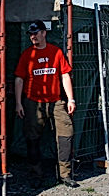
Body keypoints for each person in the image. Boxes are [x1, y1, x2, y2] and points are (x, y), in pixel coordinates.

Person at [15, 19, 78, 187]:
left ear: (44, 33)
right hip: (33, 102)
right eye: (30, 34)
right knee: (32, 138)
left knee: (66, 133)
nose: (33, 37)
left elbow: (65, 75)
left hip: (56, 100)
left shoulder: (55, 52)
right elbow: (19, 79)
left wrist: (70, 99)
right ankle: (35, 174)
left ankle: (65, 174)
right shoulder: (27, 55)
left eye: (36, 33)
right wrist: (19, 103)